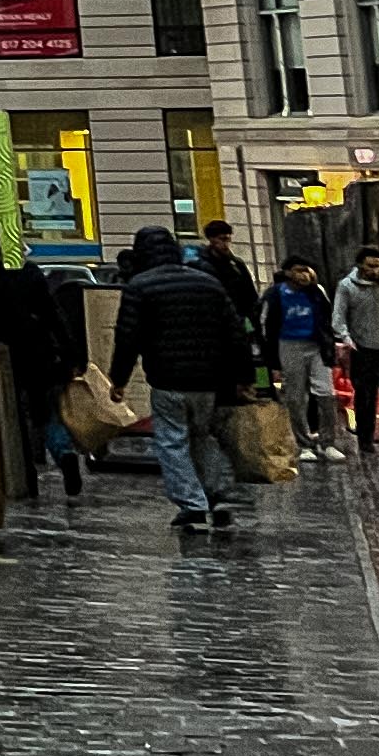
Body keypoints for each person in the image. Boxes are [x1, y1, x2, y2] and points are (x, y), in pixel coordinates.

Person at [109, 223, 258, 534]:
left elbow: (127, 338)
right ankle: (217, 491)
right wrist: (245, 376)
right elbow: (235, 334)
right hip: (209, 380)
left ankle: (192, 503)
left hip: (167, 379)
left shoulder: (139, 286)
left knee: (172, 440)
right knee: (202, 435)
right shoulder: (208, 283)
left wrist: (118, 379)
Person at [0, 257, 91, 496]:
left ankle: (24, 471)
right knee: (48, 414)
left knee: (13, 416)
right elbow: (54, 315)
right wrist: (72, 357)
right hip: (41, 354)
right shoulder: (30, 272)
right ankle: (63, 453)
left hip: (6, 355)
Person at [263, 254, 347, 458]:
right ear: (288, 273)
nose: (304, 274)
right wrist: (272, 358)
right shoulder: (275, 294)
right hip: (289, 345)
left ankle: (328, 442)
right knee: (296, 397)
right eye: (299, 270)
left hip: (316, 345)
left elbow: (327, 315)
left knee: (326, 393)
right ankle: (304, 444)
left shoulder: (316, 292)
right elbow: (265, 323)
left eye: (306, 269)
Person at [334, 246, 379, 456]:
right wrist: (348, 340)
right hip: (362, 348)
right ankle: (365, 439)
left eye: (378, 266)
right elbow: (338, 319)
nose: (375, 270)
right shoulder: (347, 287)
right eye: (371, 266)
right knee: (365, 397)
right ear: (360, 265)